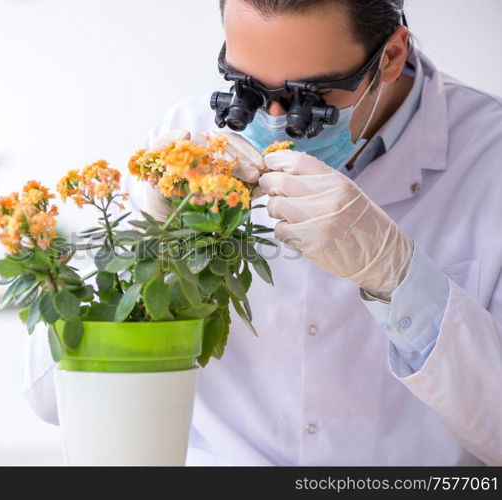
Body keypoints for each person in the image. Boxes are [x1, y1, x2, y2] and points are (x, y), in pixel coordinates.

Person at [25, 0, 502, 465]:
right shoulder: (183, 140)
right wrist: (152, 243)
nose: (274, 120)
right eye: (245, 88)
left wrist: (400, 280)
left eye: (310, 97)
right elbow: (53, 399)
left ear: (392, 56)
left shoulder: (489, 154)